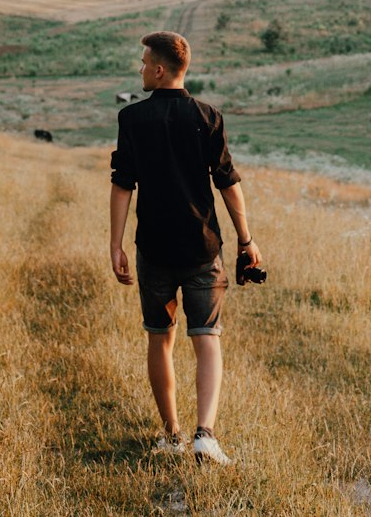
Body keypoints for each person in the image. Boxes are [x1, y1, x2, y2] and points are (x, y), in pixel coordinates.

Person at [109, 29, 261, 466]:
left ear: (159, 70)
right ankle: (205, 435)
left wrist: (115, 245)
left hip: (153, 249)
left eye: (142, 63)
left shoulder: (132, 120)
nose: (140, 69)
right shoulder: (208, 117)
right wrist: (247, 240)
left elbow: (123, 185)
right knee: (207, 340)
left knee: (161, 340)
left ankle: (172, 434)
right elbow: (229, 186)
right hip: (202, 249)